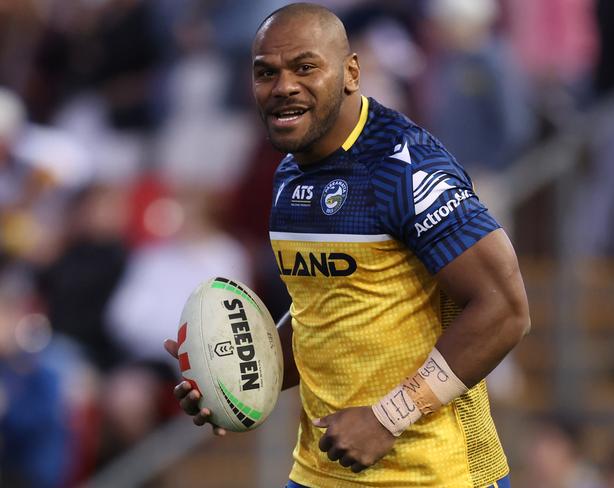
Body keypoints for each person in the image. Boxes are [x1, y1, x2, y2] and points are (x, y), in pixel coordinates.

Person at [164, 3, 530, 487]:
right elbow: (326, 314)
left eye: (305, 67)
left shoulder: (405, 166)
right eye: (265, 72)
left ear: (351, 72)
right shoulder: (289, 176)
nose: (284, 86)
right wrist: (235, 375)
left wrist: (387, 417)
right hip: (319, 473)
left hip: (438, 475)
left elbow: (505, 309)